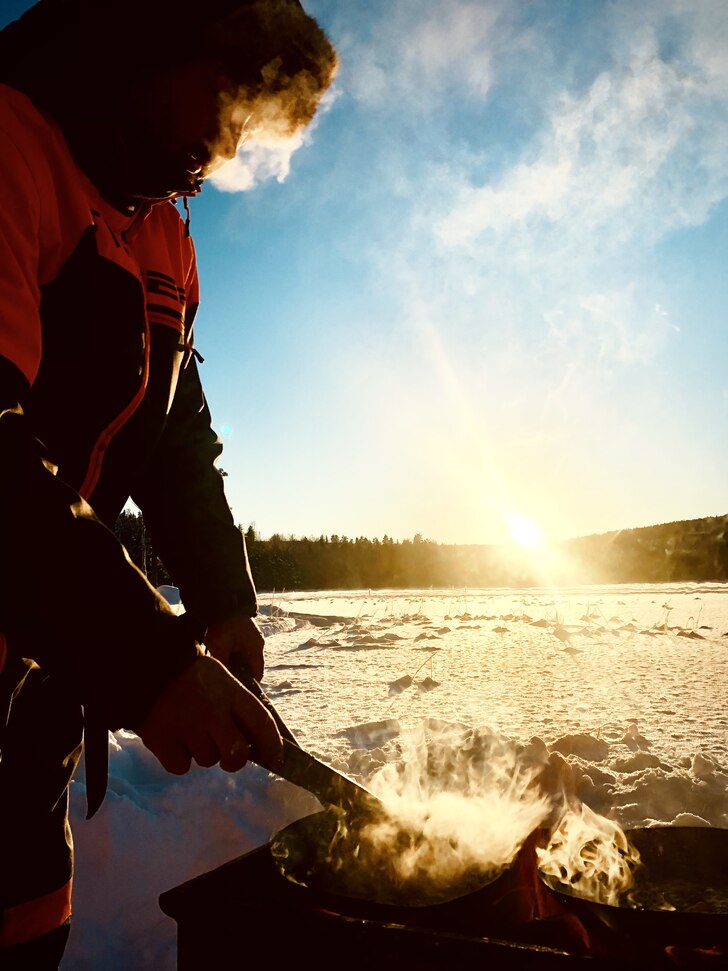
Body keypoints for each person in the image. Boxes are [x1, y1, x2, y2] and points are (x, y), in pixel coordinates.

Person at [0, 0, 338, 966]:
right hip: (53, 611)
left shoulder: (164, 230)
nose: (229, 143)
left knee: (24, 920)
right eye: (232, 95)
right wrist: (144, 659)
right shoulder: (15, 147)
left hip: (41, 661)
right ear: (155, 40)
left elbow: (177, 438)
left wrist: (224, 601)